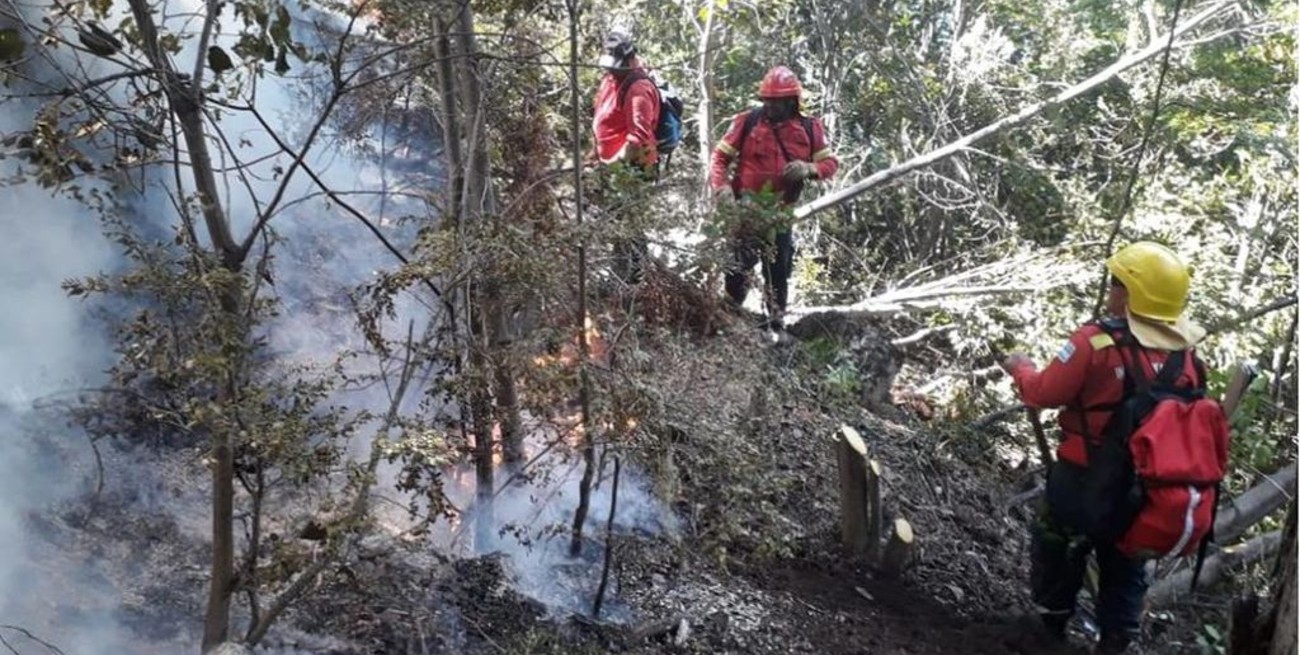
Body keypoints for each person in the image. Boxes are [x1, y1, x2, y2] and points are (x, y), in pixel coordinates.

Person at [1000, 242, 1210, 655]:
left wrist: (1020, 368)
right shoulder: (1185, 357)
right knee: (1127, 563)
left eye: (1117, 282)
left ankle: (1048, 630)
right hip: (1147, 487)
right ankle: (1116, 642)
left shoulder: (1094, 342)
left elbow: (1044, 392)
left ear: (1130, 294)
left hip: (1083, 479)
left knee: (1057, 544)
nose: (1111, 289)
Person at [709, 65, 838, 328]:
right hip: (744, 211)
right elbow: (720, 158)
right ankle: (730, 319)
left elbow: (830, 164)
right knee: (736, 268)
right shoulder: (748, 120)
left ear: (791, 101)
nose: (769, 106)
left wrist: (809, 168)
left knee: (777, 272)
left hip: (780, 215)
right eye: (766, 100)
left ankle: (776, 325)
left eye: (775, 101)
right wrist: (721, 187)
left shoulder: (810, 128)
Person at [589, 29, 660, 284]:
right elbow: (602, 121)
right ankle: (622, 277)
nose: (613, 72)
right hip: (610, 166)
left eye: (618, 68)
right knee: (617, 224)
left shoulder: (639, 88)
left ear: (631, 60)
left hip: (633, 169)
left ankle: (633, 282)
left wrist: (611, 165)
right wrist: (593, 157)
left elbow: (638, 139)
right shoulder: (610, 80)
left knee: (628, 226)